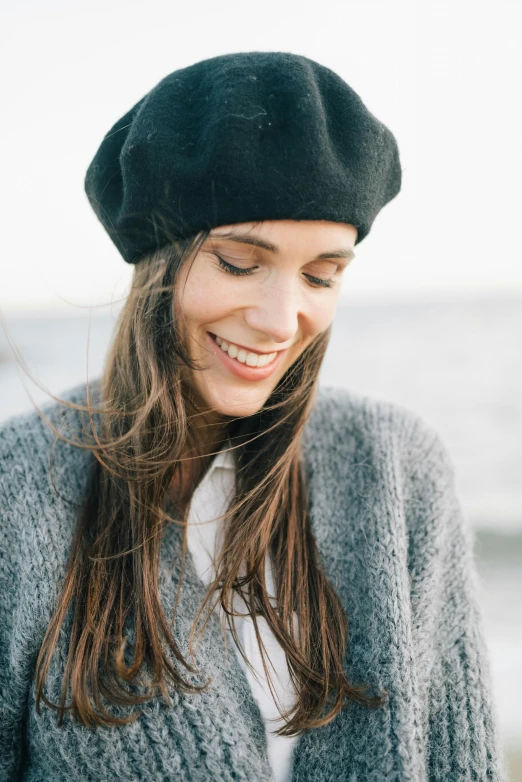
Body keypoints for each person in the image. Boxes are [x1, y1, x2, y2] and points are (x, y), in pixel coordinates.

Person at [0, 51, 507, 782]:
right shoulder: (19, 491)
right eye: (239, 263)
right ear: (156, 264)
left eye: (321, 274)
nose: (280, 319)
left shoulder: (398, 468)